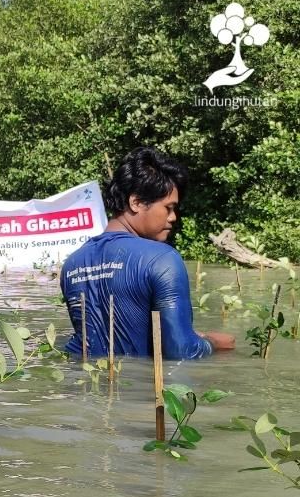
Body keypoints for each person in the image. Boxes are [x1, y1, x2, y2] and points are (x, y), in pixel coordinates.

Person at [59, 147, 234, 360]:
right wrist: (213, 342)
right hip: (141, 392)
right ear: (136, 202)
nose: (173, 218)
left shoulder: (72, 263)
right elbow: (183, 351)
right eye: (168, 208)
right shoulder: (162, 259)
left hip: (86, 388)